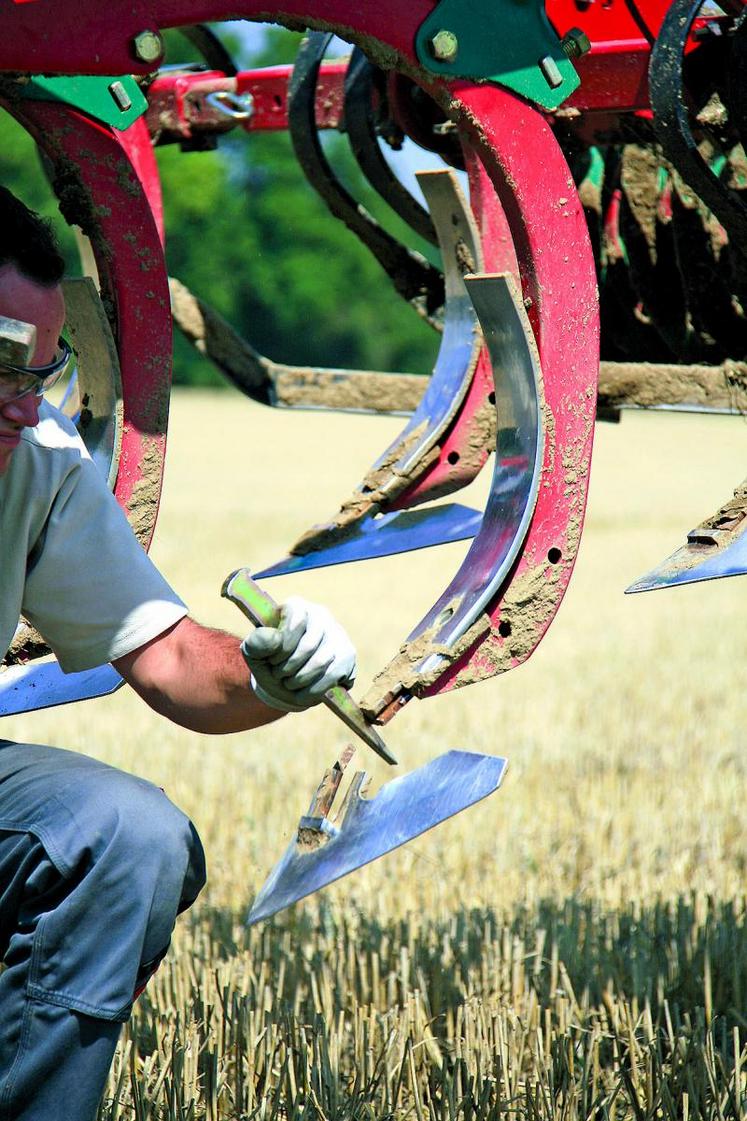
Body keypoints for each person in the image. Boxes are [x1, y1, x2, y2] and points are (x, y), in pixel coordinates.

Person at [0, 187, 357, 1121]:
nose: (24, 405)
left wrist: (271, 673)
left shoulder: (37, 456)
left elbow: (168, 658)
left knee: (130, 837)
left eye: (41, 371)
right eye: (1, 361)